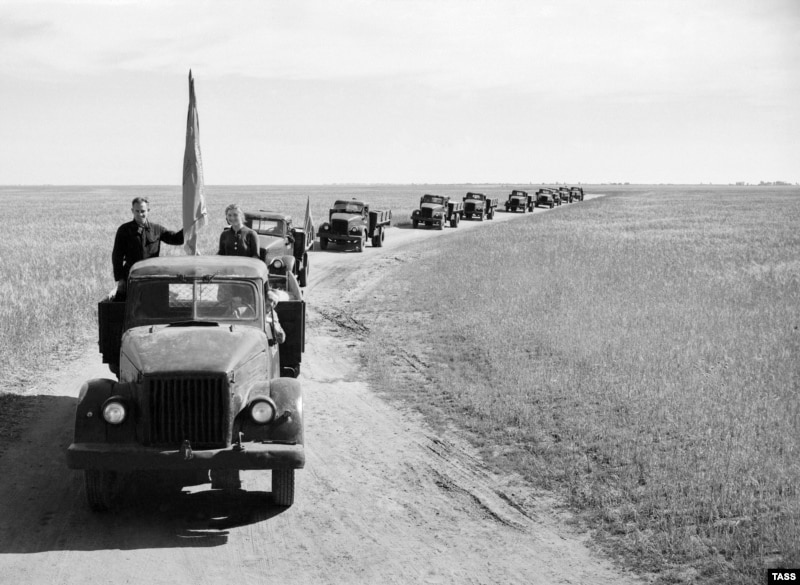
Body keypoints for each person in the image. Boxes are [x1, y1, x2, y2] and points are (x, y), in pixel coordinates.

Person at [112, 197, 184, 299]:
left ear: (148, 210)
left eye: (143, 211)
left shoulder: (157, 229)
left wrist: (188, 227)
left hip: (152, 276)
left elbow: (176, 239)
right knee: (124, 305)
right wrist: (120, 279)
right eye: (137, 211)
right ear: (132, 211)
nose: (140, 214)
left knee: (155, 304)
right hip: (131, 276)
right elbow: (117, 256)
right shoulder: (124, 230)